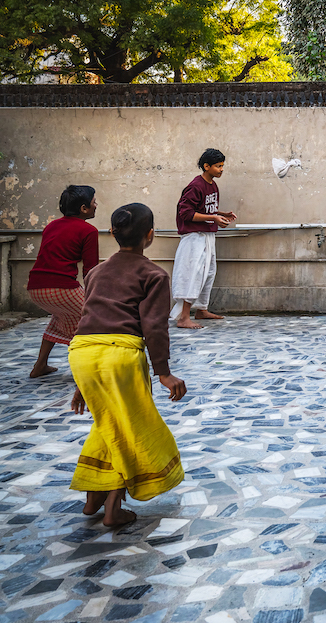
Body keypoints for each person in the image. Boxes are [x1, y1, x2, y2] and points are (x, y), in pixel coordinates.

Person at [69, 202, 186, 527]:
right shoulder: (154, 275)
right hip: (120, 355)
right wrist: (163, 372)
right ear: (150, 236)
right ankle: (113, 509)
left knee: (108, 421)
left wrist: (82, 383)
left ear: (112, 233)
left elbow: (88, 319)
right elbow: (154, 326)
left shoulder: (94, 273)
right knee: (130, 428)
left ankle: (94, 494)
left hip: (82, 352)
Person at [25, 185, 99, 378]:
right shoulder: (89, 230)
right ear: (84, 208)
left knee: (59, 318)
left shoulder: (51, 226)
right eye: (93, 203)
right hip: (61, 288)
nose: (96, 206)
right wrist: (93, 297)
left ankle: (40, 366)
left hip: (35, 288)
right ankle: (87, 372)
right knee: (92, 321)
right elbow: (90, 270)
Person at [171, 148, 237, 329]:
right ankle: (183, 318)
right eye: (218, 166)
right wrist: (213, 218)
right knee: (192, 274)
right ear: (206, 166)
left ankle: (201, 309)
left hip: (207, 235)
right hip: (194, 238)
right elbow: (186, 213)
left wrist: (221, 213)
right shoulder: (195, 186)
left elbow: (204, 208)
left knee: (208, 273)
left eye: (223, 166)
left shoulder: (213, 185)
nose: (221, 169)